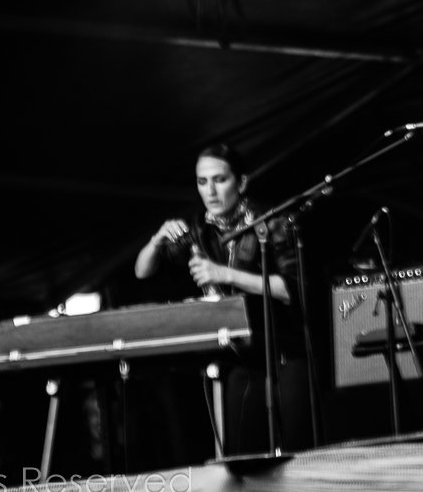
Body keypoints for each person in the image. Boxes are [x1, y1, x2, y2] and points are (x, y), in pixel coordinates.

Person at [133, 142, 311, 454]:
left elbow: (290, 288)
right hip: (239, 359)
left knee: (296, 454)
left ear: (241, 183)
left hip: (284, 354)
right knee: (244, 456)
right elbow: (142, 271)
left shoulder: (273, 222)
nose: (211, 191)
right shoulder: (199, 229)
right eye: (202, 182)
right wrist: (157, 239)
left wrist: (225, 274)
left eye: (220, 180)